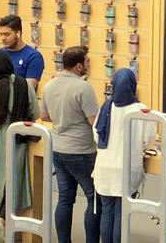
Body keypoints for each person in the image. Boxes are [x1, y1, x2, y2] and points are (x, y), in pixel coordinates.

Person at [0, 50, 40, 243]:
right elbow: (34, 112)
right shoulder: (24, 85)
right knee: (11, 181)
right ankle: (3, 222)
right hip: (15, 140)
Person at [40, 46, 101, 243]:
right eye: (88, 62)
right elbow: (95, 121)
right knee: (94, 199)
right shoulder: (83, 88)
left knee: (65, 198)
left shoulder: (49, 85)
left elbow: (44, 116)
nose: (90, 65)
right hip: (81, 151)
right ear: (78, 66)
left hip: (58, 149)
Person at [93, 68, 155, 243]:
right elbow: (148, 140)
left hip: (104, 168)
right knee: (121, 213)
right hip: (126, 170)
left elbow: (96, 134)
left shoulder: (106, 106)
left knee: (107, 212)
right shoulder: (141, 110)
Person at [0, 15, 44, 88]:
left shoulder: (33, 56)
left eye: (7, 34)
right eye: (1, 34)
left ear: (18, 34)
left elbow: (29, 87)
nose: (3, 38)